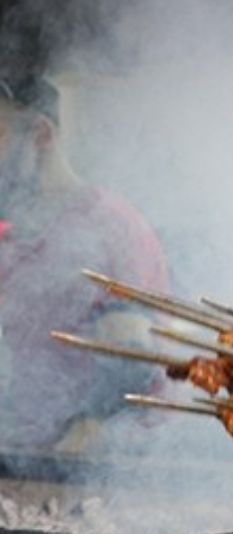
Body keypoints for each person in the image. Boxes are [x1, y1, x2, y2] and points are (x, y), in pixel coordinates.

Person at [0, 74, 169, 450]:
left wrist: (78, 439)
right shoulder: (12, 239)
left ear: (41, 135)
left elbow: (132, 358)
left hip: (104, 469)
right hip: (27, 455)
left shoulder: (110, 224)